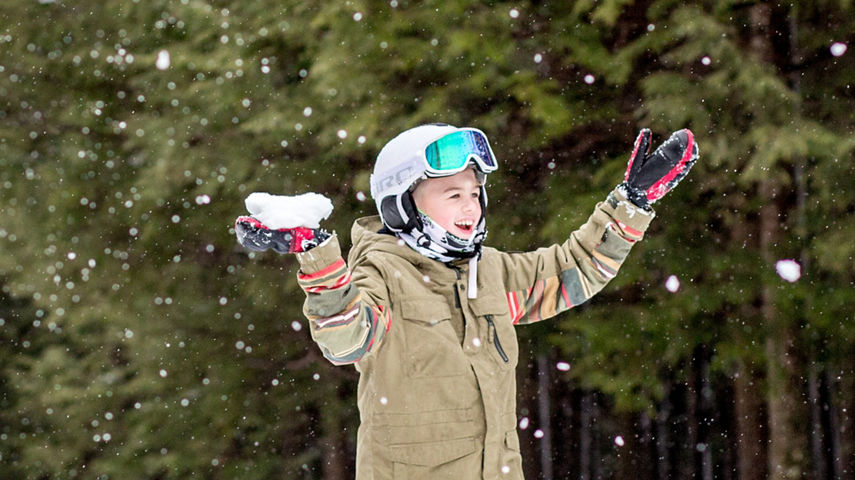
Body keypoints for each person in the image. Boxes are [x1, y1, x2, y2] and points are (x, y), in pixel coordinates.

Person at [234, 123, 698, 479]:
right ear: (402, 205)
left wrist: (632, 201)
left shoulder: (488, 270)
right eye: (452, 194)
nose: (470, 206)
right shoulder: (381, 272)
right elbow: (346, 339)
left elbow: (573, 270)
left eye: (475, 193)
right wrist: (318, 257)